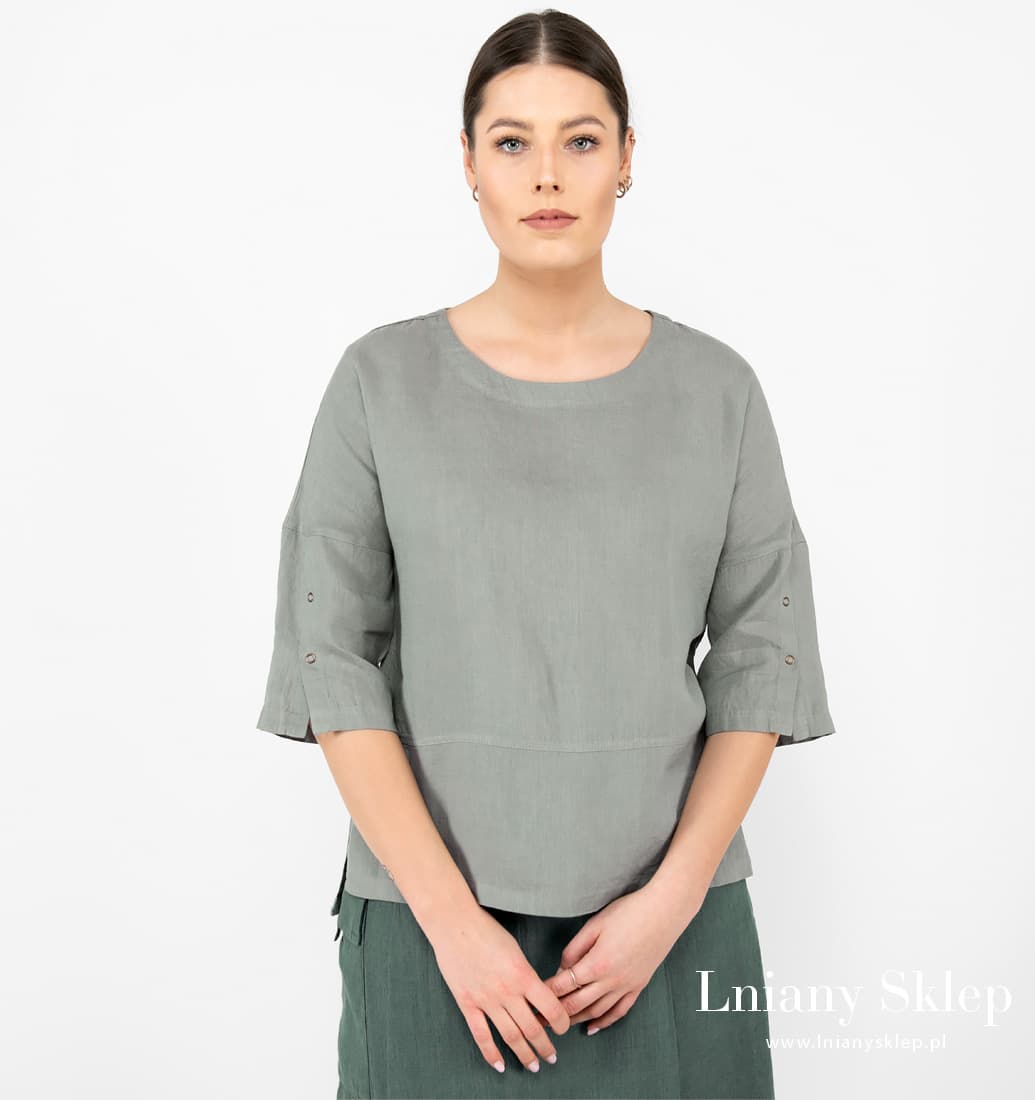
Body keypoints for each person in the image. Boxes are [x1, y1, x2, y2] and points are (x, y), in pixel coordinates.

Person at [255, 9, 836, 1099]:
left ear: (627, 158)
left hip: (666, 931)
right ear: (467, 162)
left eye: (581, 138)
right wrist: (452, 924)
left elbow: (763, 660)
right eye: (512, 140)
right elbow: (333, 664)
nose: (547, 174)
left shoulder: (718, 393)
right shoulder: (379, 383)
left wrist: (668, 903)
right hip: (432, 933)